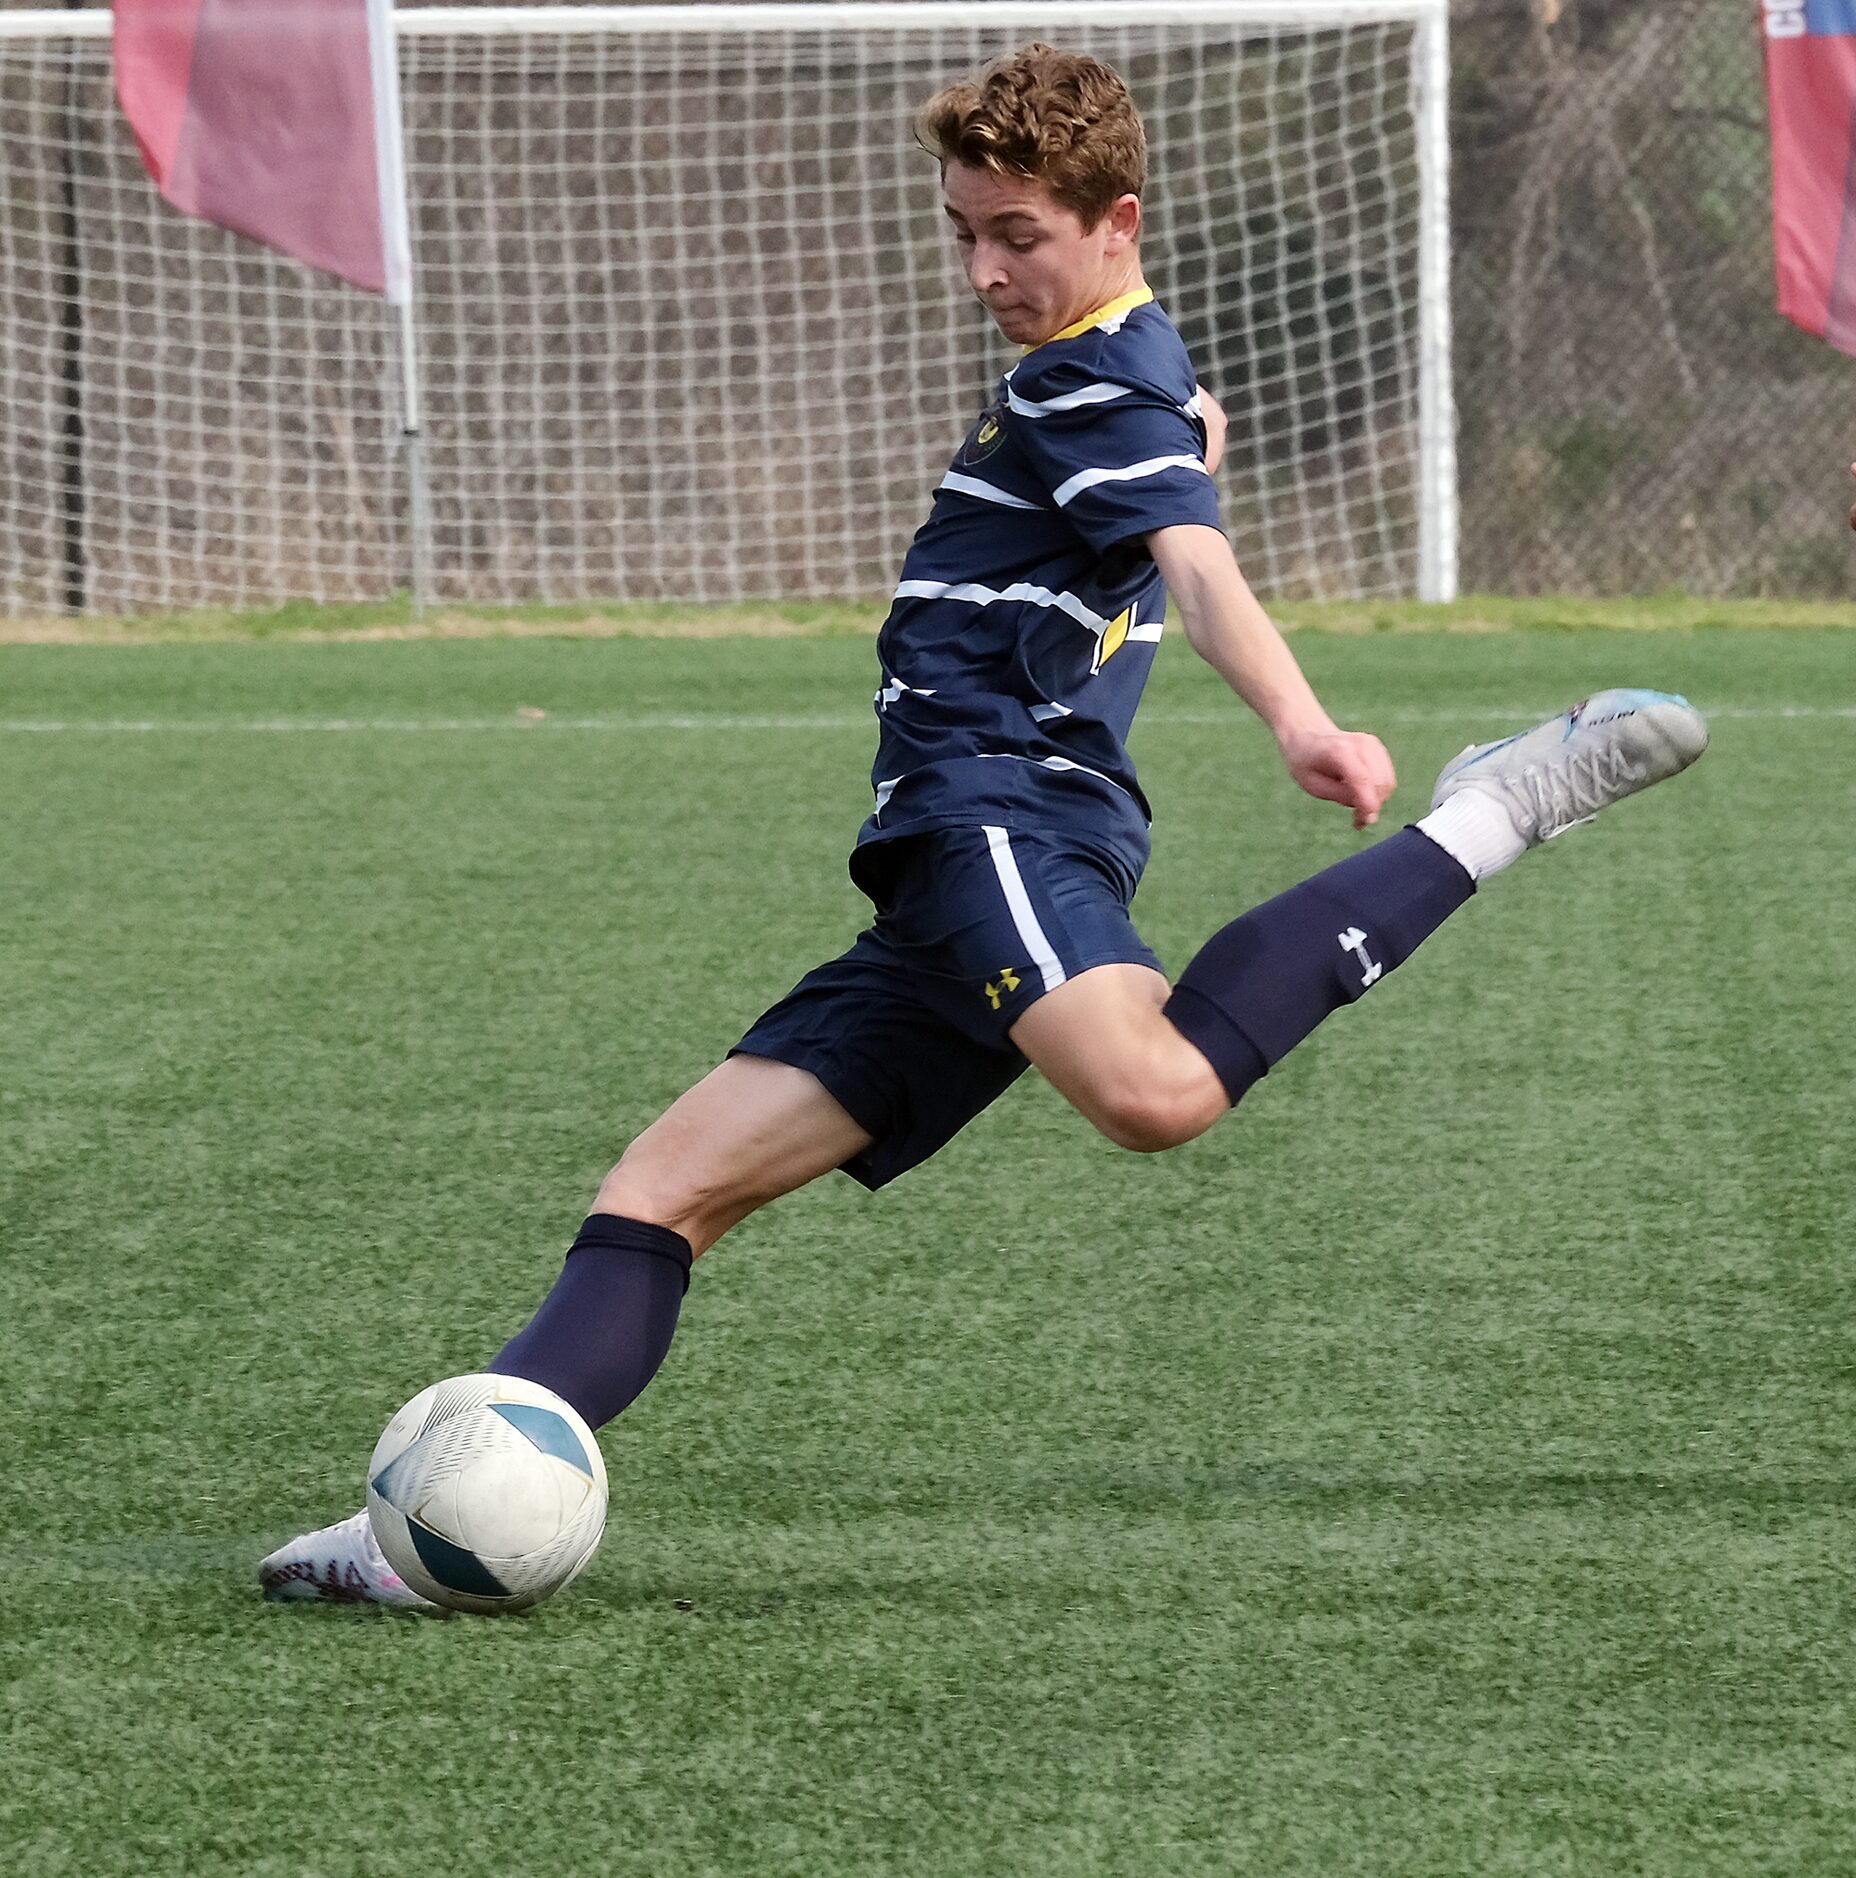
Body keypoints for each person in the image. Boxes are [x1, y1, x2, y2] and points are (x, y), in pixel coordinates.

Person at [262, 44, 1706, 1607]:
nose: (984, 267)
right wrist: (1186, 450)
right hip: (944, 881)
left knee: (1153, 1092)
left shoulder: (1097, 372)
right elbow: (1161, 488)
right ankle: (414, 1534)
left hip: (1000, 818)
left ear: (1115, 219)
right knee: (658, 1195)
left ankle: (1494, 807)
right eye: (964, 230)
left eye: (1016, 232)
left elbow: (1197, 563)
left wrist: (1304, 721)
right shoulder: (1105, 378)